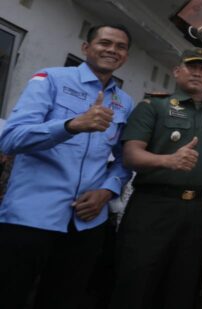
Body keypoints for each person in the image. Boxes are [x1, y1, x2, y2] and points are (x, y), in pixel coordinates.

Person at [0, 24, 134, 309]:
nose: (112, 50)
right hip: (30, 218)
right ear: (86, 48)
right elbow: (10, 139)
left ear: (125, 56)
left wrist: (106, 192)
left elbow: (125, 160)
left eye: (120, 47)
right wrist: (71, 125)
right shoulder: (50, 79)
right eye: (105, 43)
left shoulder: (123, 102)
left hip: (86, 224)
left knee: (64, 300)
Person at [111, 48, 202, 309]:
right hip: (152, 206)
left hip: (195, 211)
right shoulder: (153, 106)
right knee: (136, 283)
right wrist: (168, 160)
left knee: (182, 288)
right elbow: (130, 155)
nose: (198, 72)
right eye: (191, 66)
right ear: (177, 71)